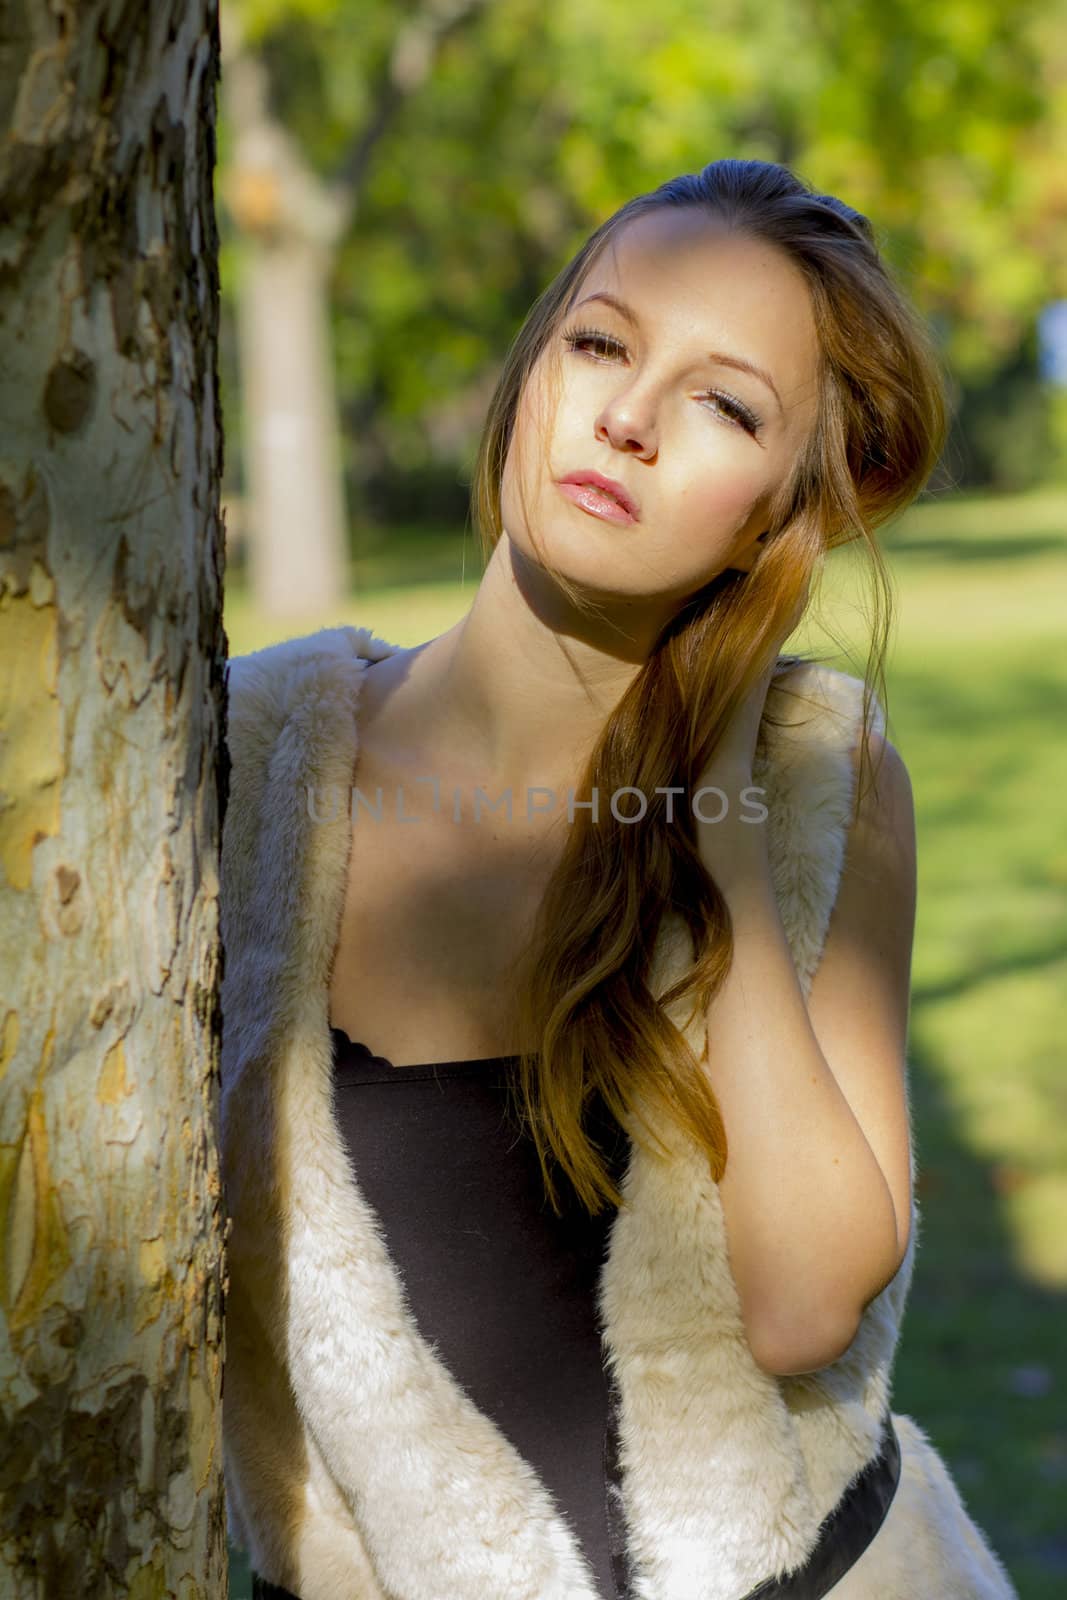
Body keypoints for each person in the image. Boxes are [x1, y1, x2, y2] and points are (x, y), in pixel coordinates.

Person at [222, 158, 1019, 1599]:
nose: (631, 420)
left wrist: (721, 837)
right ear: (535, 366)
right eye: (602, 343)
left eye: (726, 404)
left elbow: (802, 1308)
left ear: (797, 502)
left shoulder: (818, 781)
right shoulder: (241, 756)